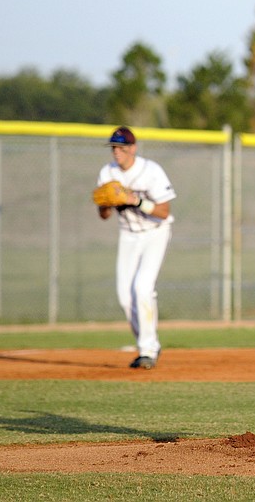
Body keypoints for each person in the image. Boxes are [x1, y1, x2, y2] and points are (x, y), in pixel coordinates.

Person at [95, 126, 176, 370]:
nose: (116, 152)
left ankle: (148, 349)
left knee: (142, 288)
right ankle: (148, 344)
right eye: (113, 148)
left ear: (133, 148)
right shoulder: (107, 173)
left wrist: (135, 200)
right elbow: (104, 215)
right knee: (124, 296)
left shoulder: (151, 172)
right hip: (128, 235)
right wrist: (106, 202)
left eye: (120, 147)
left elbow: (164, 212)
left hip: (155, 233)